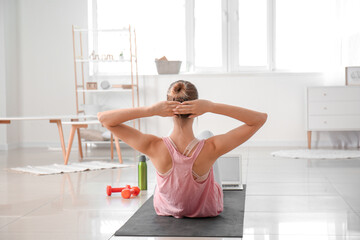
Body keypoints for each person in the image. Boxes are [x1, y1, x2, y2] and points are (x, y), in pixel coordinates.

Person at [97, 80, 267, 218]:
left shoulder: (153, 146)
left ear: (169, 110)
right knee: (206, 134)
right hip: (208, 210)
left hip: (166, 209)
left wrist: (151, 110)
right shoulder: (211, 147)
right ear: (197, 111)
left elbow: (104, 119)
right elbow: (259, 119)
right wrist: (211, 106)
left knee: (172, 148)